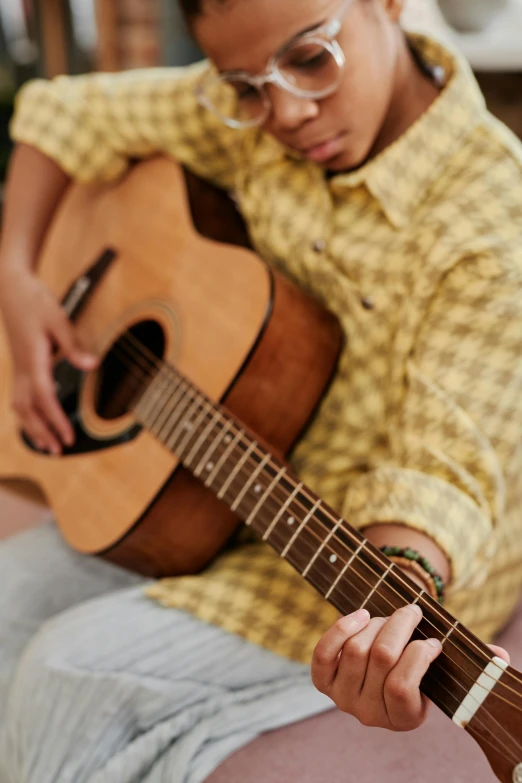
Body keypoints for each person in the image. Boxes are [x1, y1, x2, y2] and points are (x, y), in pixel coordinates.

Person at [0, 0, 520, 780]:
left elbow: (442, 470)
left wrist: (398, 599)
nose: (284, 112)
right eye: (244, 86)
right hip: (207, 489)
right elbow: (62, 112)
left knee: (66, 671)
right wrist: (17, 278)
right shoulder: (250, 118)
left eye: (312, 60)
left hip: (364, 562)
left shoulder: (494, 214)